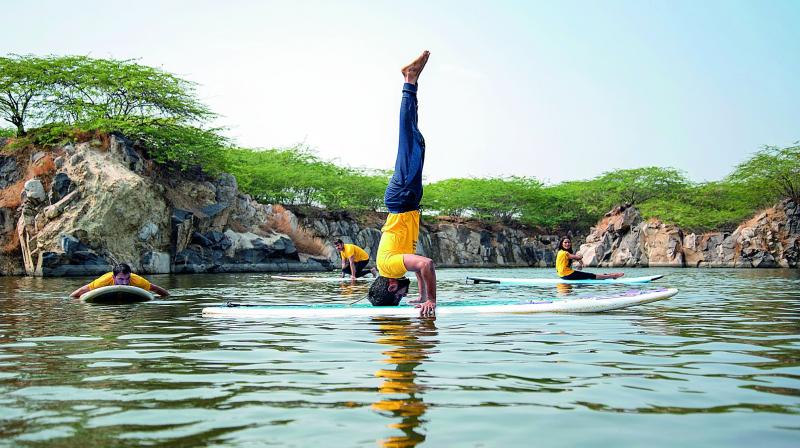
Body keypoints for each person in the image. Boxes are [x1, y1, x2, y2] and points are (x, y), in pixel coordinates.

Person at [368, 50, 437, 317]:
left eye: (398, 297)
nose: (402, 296)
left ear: (392, 285)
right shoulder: (392, 270)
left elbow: (427, 264)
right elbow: (420, 269)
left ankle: (409, 79)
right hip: (405, 200)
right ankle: (412, 80)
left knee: (409, 137)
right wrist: (421, 296)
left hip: (403, 198)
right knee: (416, 141)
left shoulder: (391, 267)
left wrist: (431, 300)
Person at [69, 263, 170, 298]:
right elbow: (79, 292)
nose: (125, 282)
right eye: (121, 279)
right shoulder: (103, 281)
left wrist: (166, 298)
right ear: (114, 278)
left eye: (127, 278)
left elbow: (157, 289)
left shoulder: (137, 280)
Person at [555, 237, 624, 280]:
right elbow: (577, 257)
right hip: (567, 275)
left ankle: (606, 275)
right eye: (565, 242)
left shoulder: (560, 252)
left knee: (588, 275)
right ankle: (613, 276)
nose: (567, 244)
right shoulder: (564, 253)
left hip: (563, 275)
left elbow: (576, 258)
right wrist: (580, 255)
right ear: (562, 244)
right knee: (591, 275)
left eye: (569, 242)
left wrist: (580, 263)